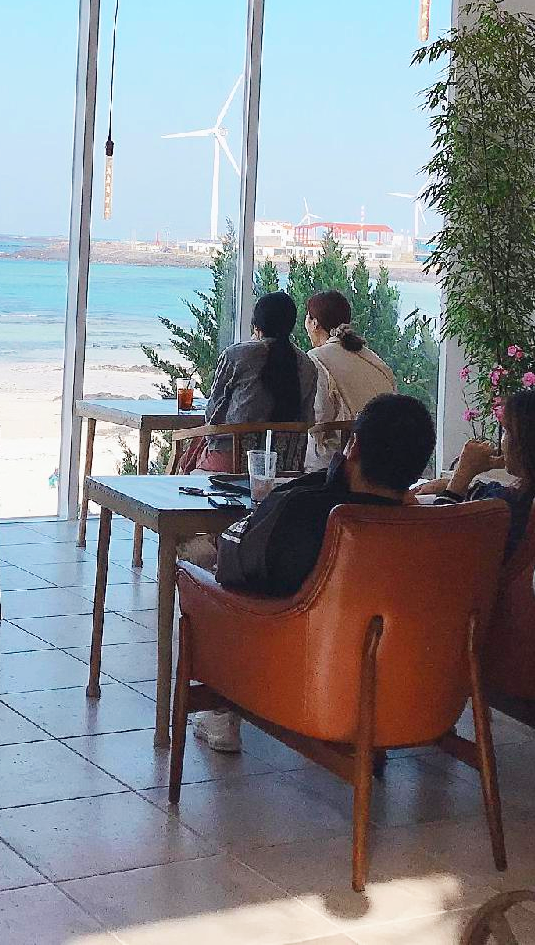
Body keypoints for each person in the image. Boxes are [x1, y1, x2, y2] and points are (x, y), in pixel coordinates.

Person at [187, 390, 438, 751]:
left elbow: (234, 562)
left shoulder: (306, 512)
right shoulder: (433, 529)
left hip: (311, 680)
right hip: (404, 688)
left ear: (354, 446)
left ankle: (221, 711)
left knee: (212, 578)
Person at [419, 387, 535, 557]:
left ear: (527, 443)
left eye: (506, 431)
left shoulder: (510, 510)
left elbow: (435, 540)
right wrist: (463, 485)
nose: (502, 441)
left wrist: (461, 476)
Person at [191, 292, 319, 473]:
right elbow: (308, 419)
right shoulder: (307, 365)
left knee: (190, 453)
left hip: (234, 460)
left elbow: (213, 412)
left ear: (256, 325)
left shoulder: (237, 355)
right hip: (284, 465)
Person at [303, 290, 395, 471]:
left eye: (307, 318)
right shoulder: (373, 359)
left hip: (340, 461)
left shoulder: (317, 359)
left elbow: (319, 416)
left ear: (314, 323)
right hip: (381, 458)